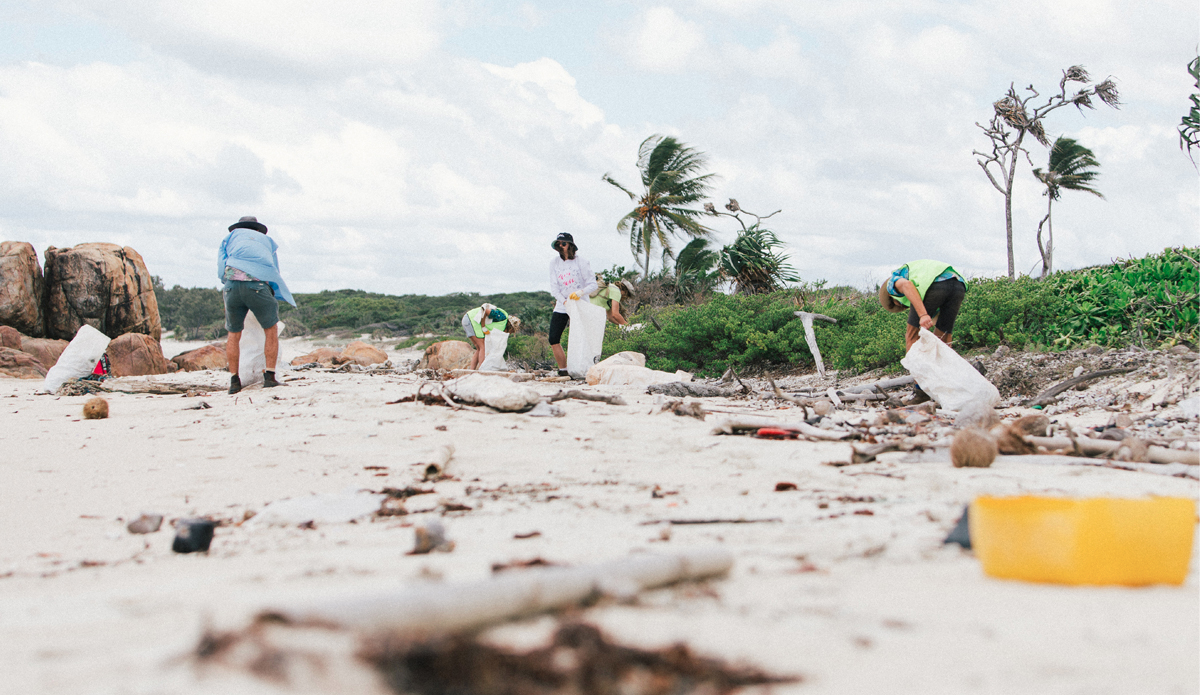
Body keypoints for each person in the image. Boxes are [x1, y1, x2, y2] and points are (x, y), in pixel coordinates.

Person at [217, 215, 296, 394]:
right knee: (271, 330)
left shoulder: (229, 239)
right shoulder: (267, 241)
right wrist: (272, 292)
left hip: (231, 286)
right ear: (257, 229)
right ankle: (269, 377)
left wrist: (230, 283)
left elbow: (220, 267)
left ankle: (234, 381)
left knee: (234, 334)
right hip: (258, 286)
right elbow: (273, 270)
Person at [878, 259, 967, 404]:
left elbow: (907, 285)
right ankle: (945, 389)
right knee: (944, 340)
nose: (901, 305)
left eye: (897, 304)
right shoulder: (917, 272)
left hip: (935, 285)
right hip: (958, 284)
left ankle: (920, 392)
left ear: (892, 298)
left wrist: (923, 315)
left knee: (911, 337)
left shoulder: (893, 282)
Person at [548, 232, 597, 376]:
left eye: (563, 243)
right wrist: (563, 301)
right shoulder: (554, 263)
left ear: (570, 245)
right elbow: (554, 287)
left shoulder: (581, 261)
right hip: (562, 304)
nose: (560, 246)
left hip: (580, 303)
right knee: (553, 337)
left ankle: (583, 368)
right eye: (558, 244)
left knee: (580, 337)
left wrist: (580, 293)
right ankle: (563, 369)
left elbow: (592, 284)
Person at [461, 303, 519, 370]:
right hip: (471, 320)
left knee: (479, 348)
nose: (510, 333)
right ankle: (482, 370)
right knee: (483, 347)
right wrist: (483, 326)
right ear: (510, 327)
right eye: (511, 331)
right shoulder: (501, 317)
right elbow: (485, 311)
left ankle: (472, 370)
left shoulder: (501, 324)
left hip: (468, 319)